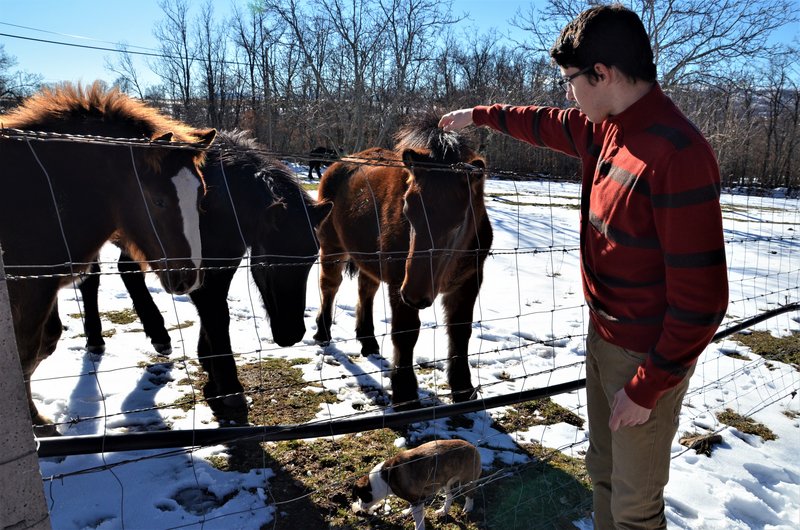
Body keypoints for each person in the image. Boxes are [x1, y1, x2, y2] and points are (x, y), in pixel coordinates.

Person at [439, 4, 728, 529]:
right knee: (602, 474)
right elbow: (542, 123)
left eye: (572, 80)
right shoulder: (607, 127)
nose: (568, 92)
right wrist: (480, 115)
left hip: (647, 355)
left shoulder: (675, 154)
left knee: (635, 508)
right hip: (604, 337)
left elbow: (703, 300)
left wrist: (646, 386)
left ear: (604, 74)